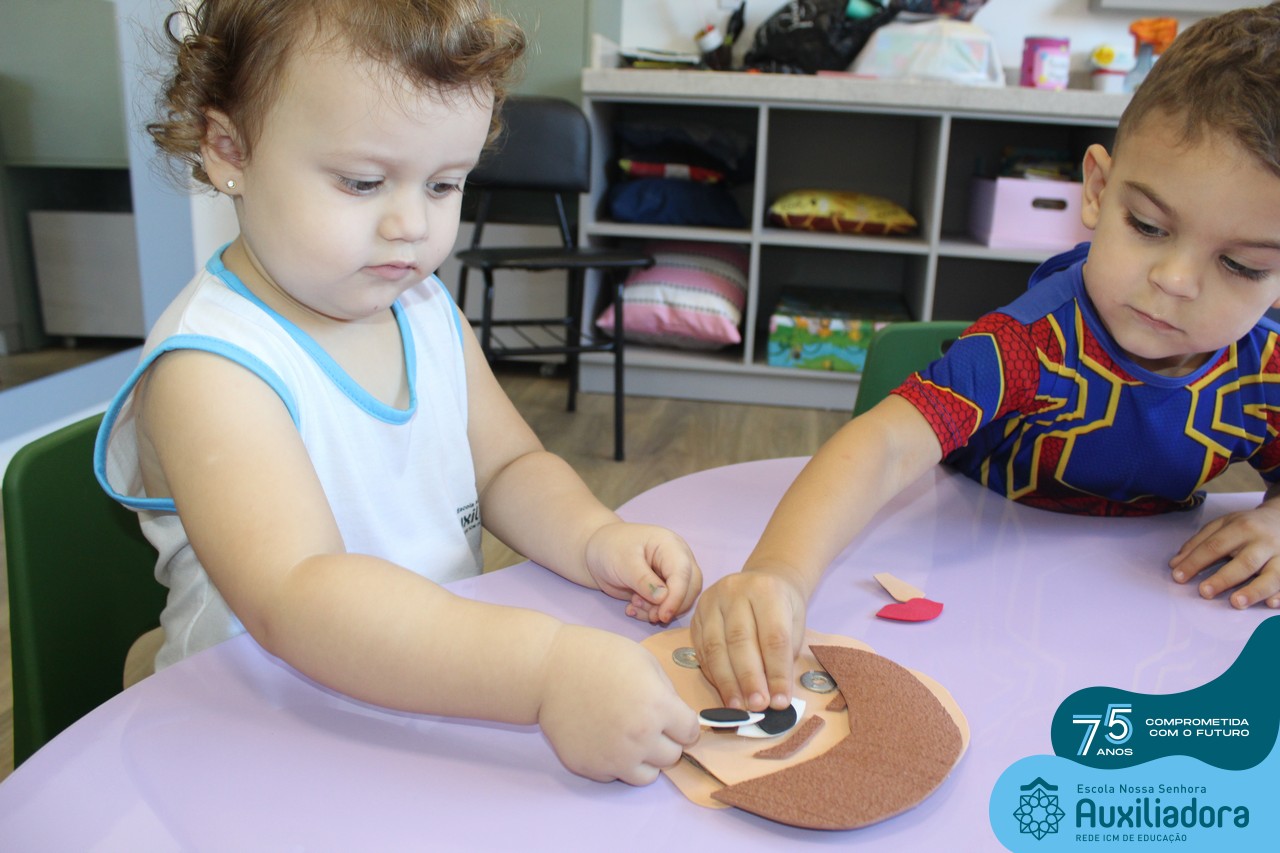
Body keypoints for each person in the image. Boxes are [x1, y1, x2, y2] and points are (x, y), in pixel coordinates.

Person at [95, 0, 702, 786]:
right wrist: (544, 668)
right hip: (257, 744)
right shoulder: (213, 369)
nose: (410, 224)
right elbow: (300, 594)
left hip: (430, 696)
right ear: (228, 150)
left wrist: (593, 536)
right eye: (363, 181)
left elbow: (508, 466)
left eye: (445, 184)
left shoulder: (421, 307)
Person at [691, 2, 1280, 714]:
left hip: (1143, 637)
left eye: (1242, 265)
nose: (1176, 280)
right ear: (1098, 190)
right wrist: (780, 571)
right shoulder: (1027, 345)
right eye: (1149, 225)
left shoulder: (1267, 370)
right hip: (974, 611)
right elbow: (885, 446)